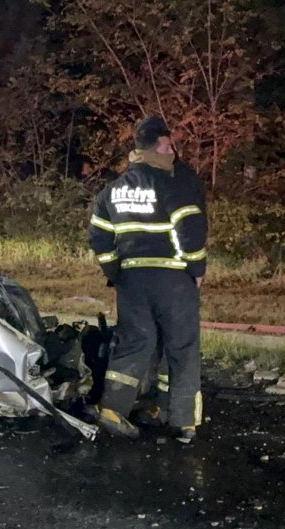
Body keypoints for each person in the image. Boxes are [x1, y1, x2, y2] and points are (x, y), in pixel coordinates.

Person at [88, 116, 208, 444]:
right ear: (158, 147)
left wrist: (115, 273)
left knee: (135, 341)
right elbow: (191, 232)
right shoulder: (171, 185)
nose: (173, 151)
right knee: (182, 346)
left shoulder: (112, 191)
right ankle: (181, 422)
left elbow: (99, 239)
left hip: (132, 281)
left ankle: (113, 409)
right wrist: (197, 271)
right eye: (169, 145)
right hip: (173, 279)